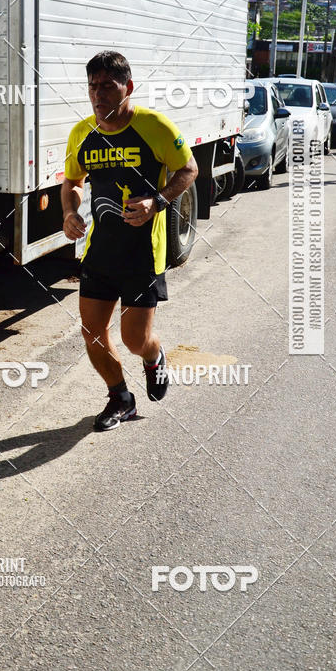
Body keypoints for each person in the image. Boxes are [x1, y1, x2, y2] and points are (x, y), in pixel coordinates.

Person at [61, 51, 198, 431]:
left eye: (108, 86)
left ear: (128, 88)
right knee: (92, 333)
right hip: (100, 252)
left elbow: (189, 168)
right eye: (93, 87)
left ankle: (153, 357)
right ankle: (120, 397)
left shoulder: (154, 125)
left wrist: (157, 202)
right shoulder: (82, 133)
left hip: (142, 255)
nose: (99, 94)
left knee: (135, 340)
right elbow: (72, 181)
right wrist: (70, 213)